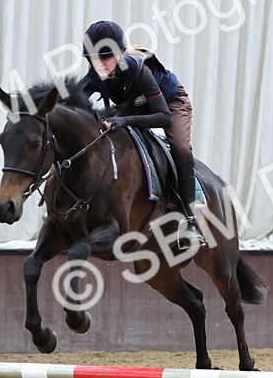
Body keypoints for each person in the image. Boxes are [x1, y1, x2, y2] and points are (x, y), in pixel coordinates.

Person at [81, 20, 205, 246]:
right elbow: (73, 105)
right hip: (134, 106)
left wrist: (124, 119)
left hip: (170, 103)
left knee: (180, 146)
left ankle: (190, 221)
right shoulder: (94, 75)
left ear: (120, 54)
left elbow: (163, 116)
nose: (99, 64)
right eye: (93, 59)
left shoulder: (139, 70)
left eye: (106, 57)